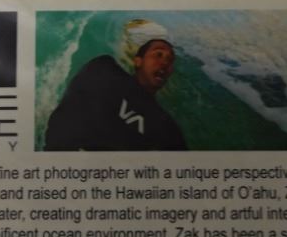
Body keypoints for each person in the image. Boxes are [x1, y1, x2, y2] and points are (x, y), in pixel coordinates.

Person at [44, 19, 188, 150]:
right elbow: (71, 108)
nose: (165, 62)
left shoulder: (168, 129)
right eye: (158, 54)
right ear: (138, 61)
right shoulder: (105, 71)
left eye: (170, 60)